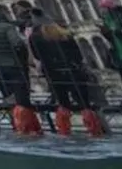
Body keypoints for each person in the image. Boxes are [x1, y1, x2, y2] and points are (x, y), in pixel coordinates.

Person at [26, 7, 101, 135]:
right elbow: (78, 54)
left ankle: (65, 131)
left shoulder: (35, 36)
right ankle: (94, 130)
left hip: (53, 72)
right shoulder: (64, 33)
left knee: (63, 102)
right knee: (84, 103)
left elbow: (37, 56)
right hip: (73, 70)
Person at [0, 2, 39, 134]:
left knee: (9, 97)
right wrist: (24, 60)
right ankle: (28, 129)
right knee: (22, 98)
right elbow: (17, 44)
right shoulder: (7, 27)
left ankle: (17, 126)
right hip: (14, 65)